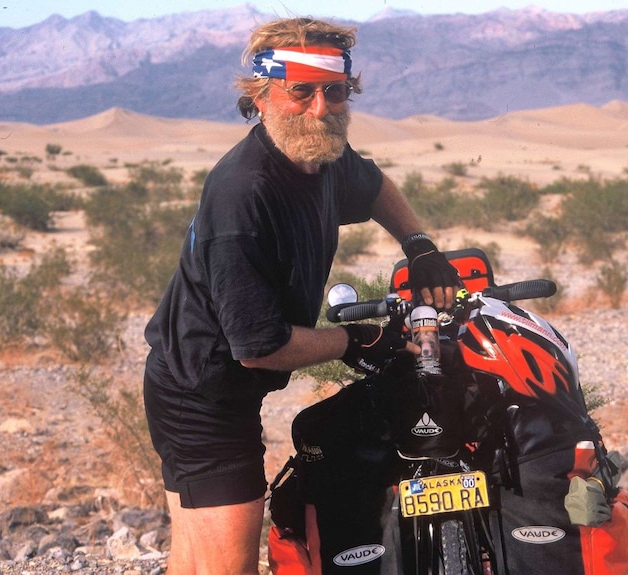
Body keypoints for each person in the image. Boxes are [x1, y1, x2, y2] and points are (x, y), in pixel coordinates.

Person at [142, 17, 459, 575]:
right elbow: (259, 346)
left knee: (196, 557)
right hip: (201, 397)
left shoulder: (320, 156)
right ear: (261, 97)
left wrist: (419, 244)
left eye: (333, 92)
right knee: (228, 566)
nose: (320, 108)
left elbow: (372, 183)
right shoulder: (245, 194)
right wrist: (356, 339)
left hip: (205, 386)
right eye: (300, 92)